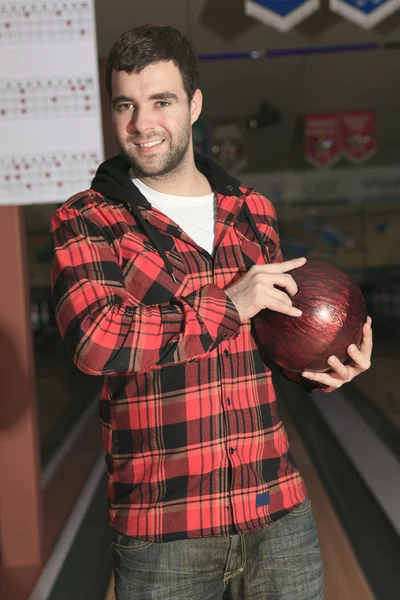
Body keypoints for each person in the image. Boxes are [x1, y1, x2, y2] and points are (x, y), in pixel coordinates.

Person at [50, 24, 373, 600]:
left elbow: (273, 343)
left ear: (195, 105)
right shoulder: (87, 218)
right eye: (126, 104)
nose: (142, 124)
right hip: (164, 534)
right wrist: (229, 304)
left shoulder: (254, 213)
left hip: (277, 516)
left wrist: (323, 369)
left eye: (161, 101)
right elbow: (96, 340)